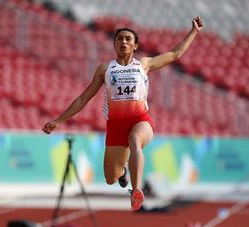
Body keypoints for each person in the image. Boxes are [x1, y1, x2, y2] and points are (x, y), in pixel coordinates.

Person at [43, 17, 204, 211]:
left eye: (128, 39)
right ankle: (122, 173)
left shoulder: (144, 64)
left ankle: (136, 191)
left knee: (135, 139)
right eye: (119, 39)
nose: (123, 42)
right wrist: (58, 121)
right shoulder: (105, 69)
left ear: (135, 46)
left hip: (140, 120)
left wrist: (193, 31)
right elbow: (82, 99)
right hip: (116, 126)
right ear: (114, 45)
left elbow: (175, 54)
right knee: (110, 178)